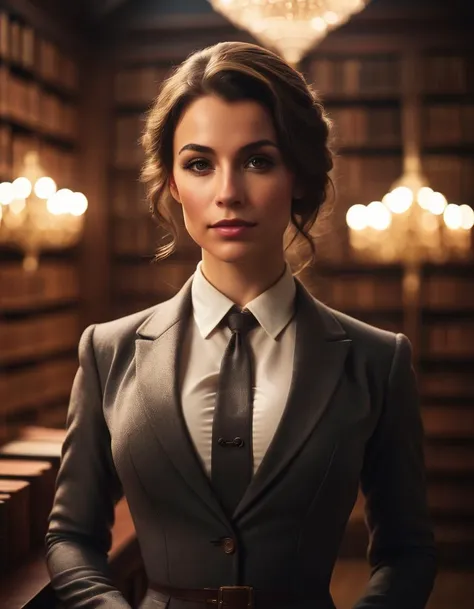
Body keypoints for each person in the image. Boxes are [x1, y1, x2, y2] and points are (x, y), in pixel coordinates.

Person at [45, 41, 437, 609]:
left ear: (299, 175)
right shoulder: (109, 351)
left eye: (258, 160)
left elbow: (408, 551)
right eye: (199, 164)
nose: (228, 192)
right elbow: (70, 537)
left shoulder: (376, 360)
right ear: (174, 185)